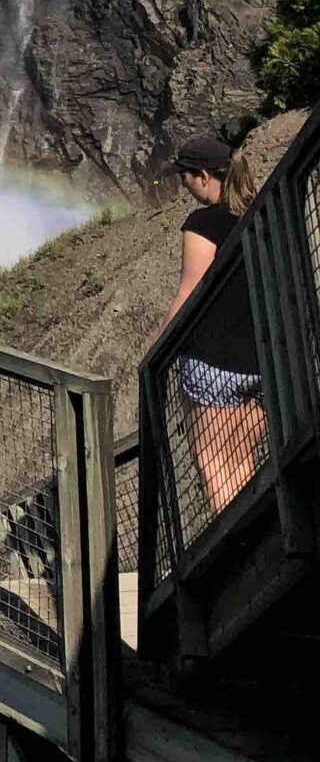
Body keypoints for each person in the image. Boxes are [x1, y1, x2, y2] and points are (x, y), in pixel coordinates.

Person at [157, 133, 268, 513]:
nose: (184, 185)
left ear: (203, 176)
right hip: (262, 360)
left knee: (216, 466)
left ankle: (237, 553)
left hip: (215, 363)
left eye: (184, 177)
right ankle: (261, 535)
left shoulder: (203, 223)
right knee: (246, 463)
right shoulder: (264, 210)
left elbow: (189, 292)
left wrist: (156, 354)